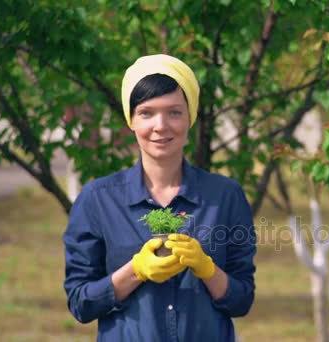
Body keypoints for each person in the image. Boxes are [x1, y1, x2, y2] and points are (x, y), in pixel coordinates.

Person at [63, 54, 257, 341]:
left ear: (190, 118)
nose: (161, 125)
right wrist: (135, 270)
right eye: (147, 113)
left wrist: (207, 269)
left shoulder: (225, 196)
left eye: (174, 112)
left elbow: (242, 301)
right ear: (131, 120)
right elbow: (81, 303)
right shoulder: (97, 200)